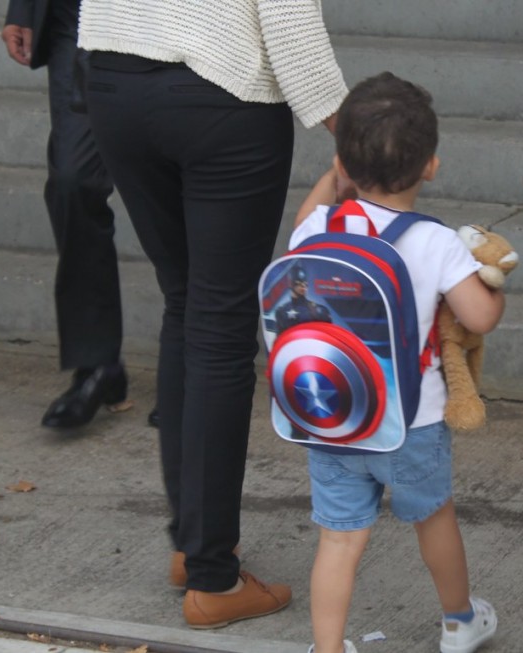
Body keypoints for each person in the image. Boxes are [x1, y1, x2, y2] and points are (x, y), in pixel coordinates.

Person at [76, 0, 349, 628]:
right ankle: (212, 579)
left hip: (115, 83)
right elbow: (286, 13)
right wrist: (357, 135)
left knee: (187, 304)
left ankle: (192, 544)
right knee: (220, 326)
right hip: (220, 94)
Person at [289, 72, 505, 653]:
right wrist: (496, 289)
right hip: (413, 422)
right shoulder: (435, 242)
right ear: (430, 166)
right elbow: (479, 317)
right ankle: (460, 623)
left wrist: (332, 179)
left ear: (342, 163)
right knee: (434, 518)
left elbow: (303, 225)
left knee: (338, 541)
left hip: (334, 416)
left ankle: (328, 649)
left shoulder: (317, 228)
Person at [1, 0, 159, 429]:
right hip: (80, 20)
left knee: (178, 178)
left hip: (174, 18)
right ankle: (97, 362)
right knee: (72, 183)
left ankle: (193, 366)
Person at [274, 263, 333, 334]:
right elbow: (280, 337)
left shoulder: (320, 310)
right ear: (290, 284)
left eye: (305, 284)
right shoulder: (281, 312)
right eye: (298, 283)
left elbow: (328, 335)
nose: (303, 286)